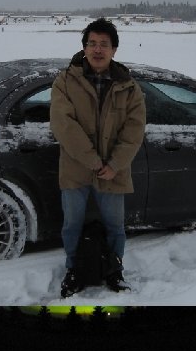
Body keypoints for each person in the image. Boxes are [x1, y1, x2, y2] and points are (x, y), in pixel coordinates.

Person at [50, 17, 146, 298]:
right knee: (72, 225)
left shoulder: (129, 87)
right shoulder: (65, 81)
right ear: (84, 48)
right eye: (92, 43)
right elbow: (63, 125)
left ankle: (114, 270)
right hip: (76, 168)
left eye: (104, 44)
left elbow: (134, 131)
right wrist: (93, 160)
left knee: (115, 227)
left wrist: (114, 164)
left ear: (114, 50)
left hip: (113, 171)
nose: (97, 49)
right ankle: (73, 270)